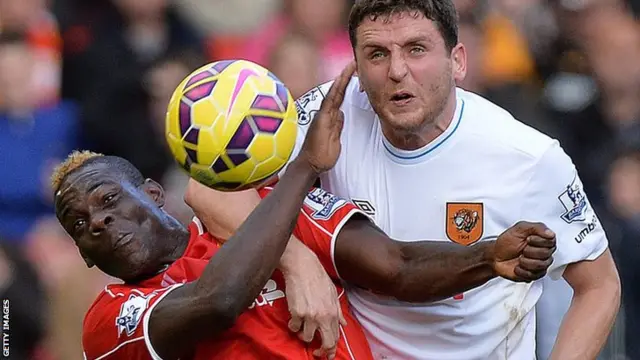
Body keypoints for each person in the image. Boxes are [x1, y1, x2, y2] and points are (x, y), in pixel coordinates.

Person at [190, 1, 622, 359]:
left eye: (416, 49)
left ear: (458, 61)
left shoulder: (527, 157)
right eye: (377, 54)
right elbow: (208, 188)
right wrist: (298, 262)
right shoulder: (330, 114)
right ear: (355, 65)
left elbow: (599, 286)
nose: (396, 71)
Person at [55, 64, 555, 360]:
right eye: (80, 225)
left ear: (152, 193)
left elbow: (395, 265)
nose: (98, 221)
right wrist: (306, 169)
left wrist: (489, 257)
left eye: (108, 200)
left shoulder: (267, 215)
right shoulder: (111, 320)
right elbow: (218, 300)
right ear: (82, 253)